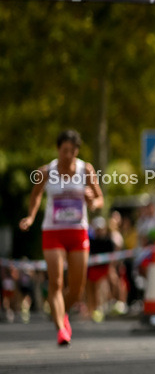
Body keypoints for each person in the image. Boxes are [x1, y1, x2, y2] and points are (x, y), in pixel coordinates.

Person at [19, 130, 104, 346]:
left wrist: (92, 201)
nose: (69, 155)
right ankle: (61, 330)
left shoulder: (86, 170)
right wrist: (30, 217)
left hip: (78, 233)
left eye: (73, 151)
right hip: (53, 233)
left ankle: (61, 312)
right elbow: (36, 195)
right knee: (56, 282)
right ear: (58, 150)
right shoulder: (47, 171)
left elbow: (99, 198)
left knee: (77, 289)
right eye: (65, 150)